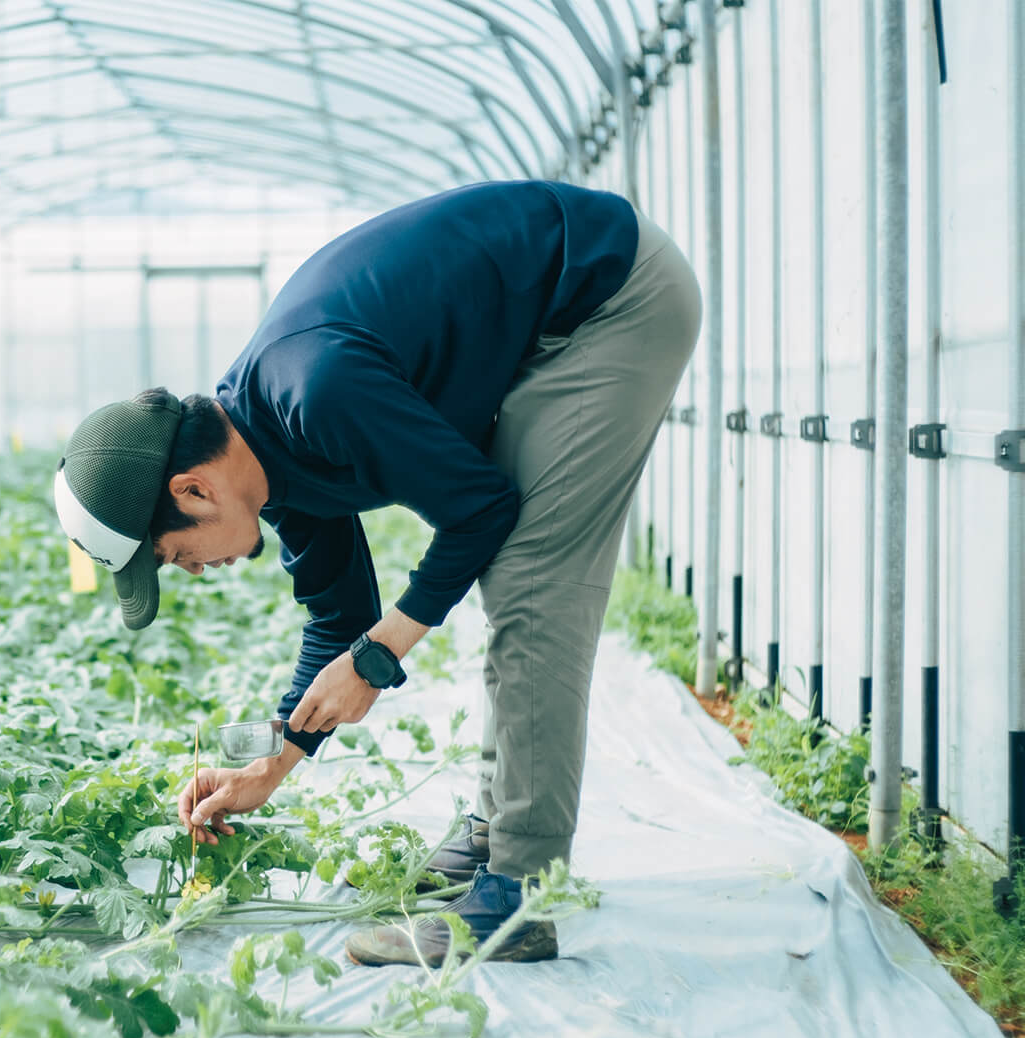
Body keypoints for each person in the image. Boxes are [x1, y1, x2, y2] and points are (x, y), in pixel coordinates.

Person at [52, 179, 701, 967]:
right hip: (551, 318)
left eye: (175, 555)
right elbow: (338, 612)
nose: (194, 571)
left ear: (192, 489)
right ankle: (494, 834)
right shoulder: (269, 455)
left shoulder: (314, 391)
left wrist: (379, 654)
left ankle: (513, 892)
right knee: (513, 578)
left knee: (532, 583)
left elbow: (478, 509)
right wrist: (272, 760)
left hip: (609, 296)